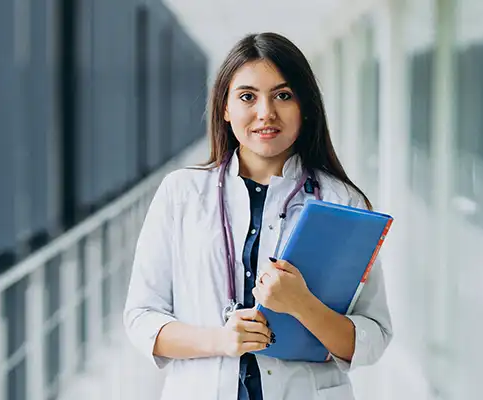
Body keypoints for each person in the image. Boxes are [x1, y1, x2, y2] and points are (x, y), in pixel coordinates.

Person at [122, 32, 392, 400]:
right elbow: (141, 317)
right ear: (225, 108)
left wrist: (302, 305)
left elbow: (373, 336)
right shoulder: (181, 193)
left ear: (305, 106)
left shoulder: (342, 201)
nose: (266, 113)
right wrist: (220, 340)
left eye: (283, 95)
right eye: (248, 97)